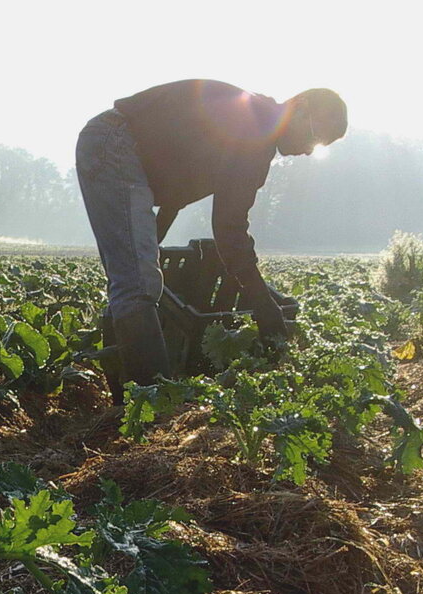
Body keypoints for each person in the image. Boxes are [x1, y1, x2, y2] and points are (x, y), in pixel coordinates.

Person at [76, 80, 347, 386]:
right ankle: (152, 404)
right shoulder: (255, 129)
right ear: (299, 107)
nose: (309, 151)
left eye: (318, 147)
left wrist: (152, 239)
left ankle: (127, 389)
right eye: (313, 136)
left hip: (120, 145)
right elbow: (229, 227)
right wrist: (262, 304)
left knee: (135, 277)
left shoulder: (256, 126)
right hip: (114, 141)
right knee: (137, 283)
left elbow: (178, 185)